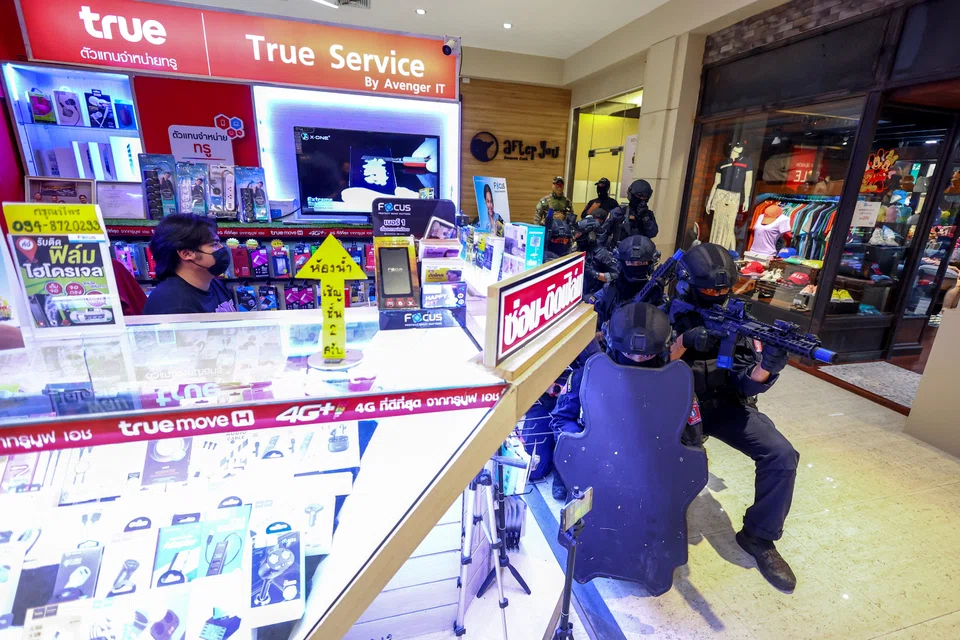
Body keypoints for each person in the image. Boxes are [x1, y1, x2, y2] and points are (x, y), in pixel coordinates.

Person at [668, 242, 798, 592]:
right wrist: (684, 340)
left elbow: (745, 380)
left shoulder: (739, 320)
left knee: (782, 456)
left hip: (725, 404)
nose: (717, 295)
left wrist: (764, 368)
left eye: (723, 291)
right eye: (709, 290)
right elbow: (648, 366)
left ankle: (759, 537)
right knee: (676, 465)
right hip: (676, 406)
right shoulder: (667, 312)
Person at [550, 302, 678, 499]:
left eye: (647, 355)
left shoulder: (673, 385)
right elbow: (561, 419)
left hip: (645, 460)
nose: (637, 361)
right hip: (595, 454)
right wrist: (581, 446)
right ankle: (561, 472)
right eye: (629, 353)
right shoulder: (585, 376)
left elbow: (688, 442)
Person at [142, 214, 238, 315]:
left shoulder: (213, 284)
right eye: (214, 244)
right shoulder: (174, 307)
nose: (221, 248)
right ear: (186, 254)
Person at [591, 235, 661, 329]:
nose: (636, 266)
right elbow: (589, 330)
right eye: (631, 262)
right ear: (623, 264)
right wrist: (605, 334)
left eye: (641, 263)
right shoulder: (608, 292)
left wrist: (657, 306)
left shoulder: (654, 292)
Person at [602, 179, 659, 249]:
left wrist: (645, 218)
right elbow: (603, 233)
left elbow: (653, 233)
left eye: (644, 198)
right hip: (619, 254)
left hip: (640, 255)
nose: (642, 201)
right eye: (639, 197)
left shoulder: (648, 215)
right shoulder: (619, 212)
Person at [575, 216, 619, 296]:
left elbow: (617, 276)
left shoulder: (602, 254)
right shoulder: (577, 249)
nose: (576, 236)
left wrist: (595, 274)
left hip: (594, 295)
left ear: (590, 235)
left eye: (579, 233)